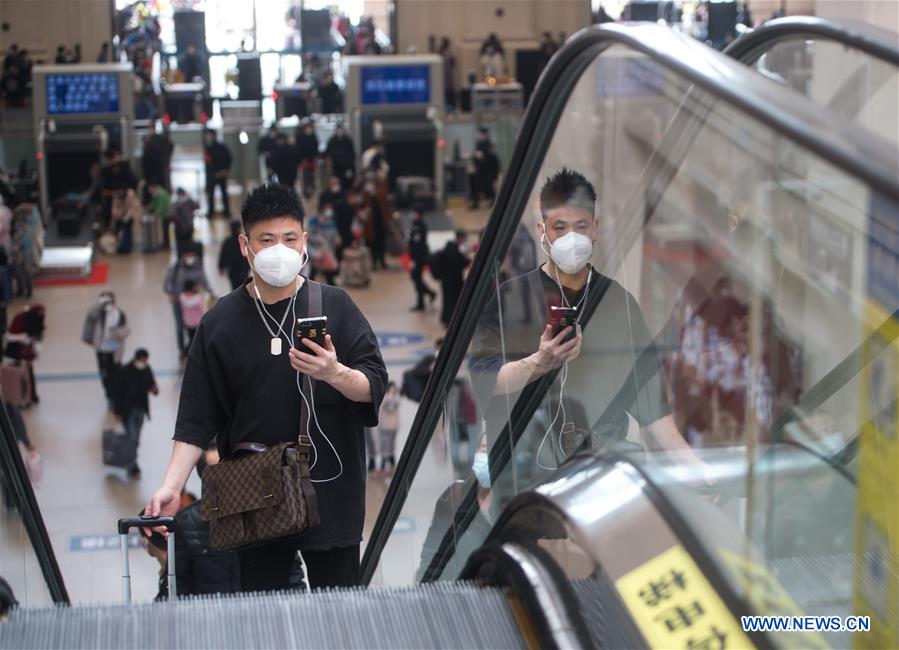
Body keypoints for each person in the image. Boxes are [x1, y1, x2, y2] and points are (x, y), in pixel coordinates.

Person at [144, 183, 388, 592]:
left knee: (341, 613)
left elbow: (374, 385)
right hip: (254, 498)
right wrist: (171, 486)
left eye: (290, 239)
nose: (280, 250)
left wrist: (333, 372)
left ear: (305, 241)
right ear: (245, 245)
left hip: (330, 490)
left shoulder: (335, 306)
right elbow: (196, 418)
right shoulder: (219, 323)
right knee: (266, 615)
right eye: (267, 240)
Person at [468, 169, 708, 510]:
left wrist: (690, 462)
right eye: (560, 228)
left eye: (581, 227)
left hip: (601, 473)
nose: (572, 238)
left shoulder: (618, 304)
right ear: (542, 232)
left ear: (595, 230)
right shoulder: (512, 300)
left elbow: (650, 400)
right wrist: (539, 363)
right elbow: (485, 379)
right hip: (525, 471)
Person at [113, 348, 159, 476]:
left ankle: (131, 461)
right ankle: (132, 465)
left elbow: (152, 386)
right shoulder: (124, 371)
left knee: (136, 439)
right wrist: (117, 411)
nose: (143, 363)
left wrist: (154, 389)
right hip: (127, 411)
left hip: (140, 409)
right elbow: (118, 393)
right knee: (132, 438)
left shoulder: (146, 370)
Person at [164, 244, 213, 360]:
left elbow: (204, 280)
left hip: (194, 303)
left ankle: (195, 350)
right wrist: (171, 293)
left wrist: (210, 291)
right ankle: (182, 350)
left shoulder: (198, 266)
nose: (190, 257)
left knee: (196, 326)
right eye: (188, 255)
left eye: (192, 255)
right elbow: (168, 282)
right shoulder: (176, 267)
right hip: (179, 301)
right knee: (180, 326)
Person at [81, 291, 129, 406]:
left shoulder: (119, 314)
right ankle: (109, 394)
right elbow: (90, 315)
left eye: (109, 301)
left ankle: (116, 395)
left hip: (115, 350)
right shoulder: (98, 313)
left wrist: (115, 332)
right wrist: (99, 304)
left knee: (115, 373)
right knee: (104, 373)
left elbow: (125, 331)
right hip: (101, 349)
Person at [431, 230, 470, 328]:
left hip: (447, 280)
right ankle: (449, 321)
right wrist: (466, 259)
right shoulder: (453, 251)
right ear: (460, 238)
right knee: (451, 302)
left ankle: (445, 318)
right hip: (452, 282)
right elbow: (458, 265)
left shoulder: (449, 247)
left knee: (447, 300)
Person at [408, 207, 436, 311]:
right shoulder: (415, 225)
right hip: (416, 257)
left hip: (419, 258)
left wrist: (414, 259)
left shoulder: (420, 227)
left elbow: (417, 245)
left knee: (416, 278)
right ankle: (429, 294)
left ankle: (422, 302)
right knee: (416, 278)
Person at [307, 204, 340, 286]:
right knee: (314, 270)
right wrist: (318, 239)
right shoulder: (314, 221)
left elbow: (334, 234)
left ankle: (331, 286)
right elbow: (309, 234)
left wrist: (337, 238)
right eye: (327, 210)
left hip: (327, 250)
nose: (329, 213)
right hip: (315, 250)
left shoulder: (332, 222)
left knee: (327, 271)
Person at [203, 129, 232, 219]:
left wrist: (222, 170)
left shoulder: (219, 147)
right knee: (213, 194)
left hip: (218, 174)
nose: (208, 136)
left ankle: (224, 212)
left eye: (209, 135)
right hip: (215, 174)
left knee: (221, 193)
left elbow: (227, 158)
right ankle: (214, 212)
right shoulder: (208, 147)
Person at [469, 127, 500, 209]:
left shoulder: (487, 145)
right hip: (482, 170)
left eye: (478, 134)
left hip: (486, 171)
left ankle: (489, 202)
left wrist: (479, 156)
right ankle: (478, 202)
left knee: (487, 187)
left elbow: (491, 159)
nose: (477, 135)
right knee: (483, 187)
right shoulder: (481, 144)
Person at [218, 219, 250, 290]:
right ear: (239, 228)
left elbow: (223, 255)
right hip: (243, 268)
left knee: (234, 287)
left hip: (232, 269)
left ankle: (235, 299)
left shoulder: (227, 241)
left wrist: (221, 267)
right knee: (244, 287)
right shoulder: (243, 240)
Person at [377, 381, 400, 472]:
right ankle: (383, 467)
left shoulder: (395, 398)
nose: (394, 390)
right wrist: (391, 396)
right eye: (392, 388)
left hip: (393, 427)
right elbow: (389, 408)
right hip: (385, 427)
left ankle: (392, 466)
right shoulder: (386, 398)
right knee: (385, 447)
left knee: (391, 447)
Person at [325, 124, 355, 189]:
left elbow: (352, 154)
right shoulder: (332, 140)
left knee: (346, 183)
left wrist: (350, 167)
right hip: (335, 167)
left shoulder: (347, 140)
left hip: (346, 166)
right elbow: (327, 153)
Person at [296, 120, 320, 199]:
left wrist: (315, 157)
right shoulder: (300, 137)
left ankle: (312, 190)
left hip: (312, 161)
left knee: (312, 177)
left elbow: (316, 148)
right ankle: (306, 192)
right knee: (305, 177)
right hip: (304, 161)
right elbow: (299, 149)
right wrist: (301, 158)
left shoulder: (313, 136)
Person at [178, 279, 206, 348]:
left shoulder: (182, 297)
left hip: (188, 322)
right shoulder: (198, 299)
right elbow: (203, 310)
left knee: (191, 338)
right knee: (196, 340)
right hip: (197, 323)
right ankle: (187, 352)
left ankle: (184, 353)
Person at [171, 187, 199, 254]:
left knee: (186, 244)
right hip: (184, 227)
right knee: (186, 244)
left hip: (184, 227)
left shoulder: (188, 201)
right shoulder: (177, 203)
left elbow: (197, 206)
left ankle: (185, 256)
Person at [146, 182, 170, 251]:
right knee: (164, 230)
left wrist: (156, 214)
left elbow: (161, 206)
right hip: (163, 215)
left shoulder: (161, 194)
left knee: (165, 230)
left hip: (166, 215)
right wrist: (149, 208)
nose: (150, 192)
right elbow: (154, 203)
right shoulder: (158, 194)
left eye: (151, 190)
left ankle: (166, 245)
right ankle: (164, 244)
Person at [439, 37, 456, 112]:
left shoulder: (447, 52)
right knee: (447, 90)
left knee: (449, 90)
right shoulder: (443, 52)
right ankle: (448, 105)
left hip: (448, 74)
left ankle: (451, 105)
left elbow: (453, 62)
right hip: (445, 74)